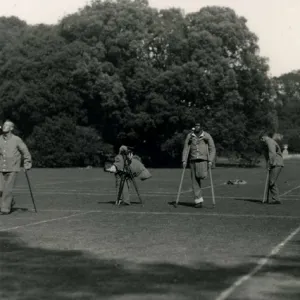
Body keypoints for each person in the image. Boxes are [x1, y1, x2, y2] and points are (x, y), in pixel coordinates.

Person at [0, 120, 32, 214]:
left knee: (8, 189)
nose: (4, 126)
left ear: (11, 128)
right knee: (1, 189)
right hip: (1, 167)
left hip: (13, 168)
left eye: (7, 125)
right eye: (4, 125)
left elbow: (25, 151)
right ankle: (9, 202)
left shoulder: (16, 139)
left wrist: (27, 163)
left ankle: (5, 209)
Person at [182, 123, 216, 208]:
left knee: (202, 176)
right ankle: (198, 200)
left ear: (201, 127)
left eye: (198, 126)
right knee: (195, 181)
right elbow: (186, 148)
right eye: (195, 126)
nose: (196, 127)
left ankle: (199, 197)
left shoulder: (206, 135)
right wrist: (184, 160)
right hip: (193, 160)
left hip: (203, 160)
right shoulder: (190, 136)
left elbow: (212, 148)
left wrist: (210, 160)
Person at [260, 132, 284, 204]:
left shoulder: (269, 141)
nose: (261, 141)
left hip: (276, 164)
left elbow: (272, 153)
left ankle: (276, 199)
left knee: (271, 181)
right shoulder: (266, 143)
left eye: (261, 139)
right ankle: (276, 199)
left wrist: (271, 163)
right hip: (274, 163)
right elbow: (267, 155)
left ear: (263, 137)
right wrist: (268, 164)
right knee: (271, 181)